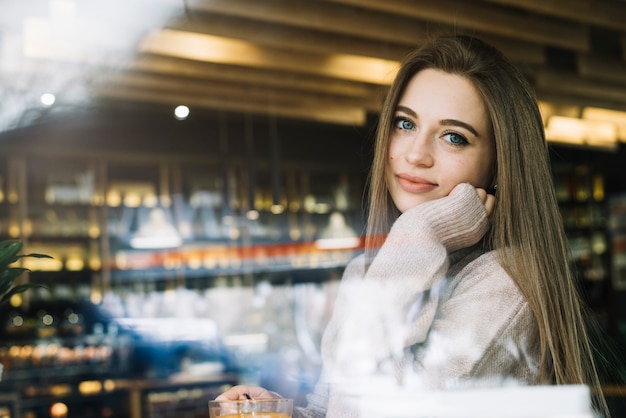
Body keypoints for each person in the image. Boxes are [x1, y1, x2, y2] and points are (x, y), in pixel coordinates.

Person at [216, 35, 609, 417]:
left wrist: (421, 230)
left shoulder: (507, 285)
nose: (416, 154)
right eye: (405, 124)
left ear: (500, 165)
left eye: (454, 137)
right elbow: (339, 405)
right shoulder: (371, 270)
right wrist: (278, 412)